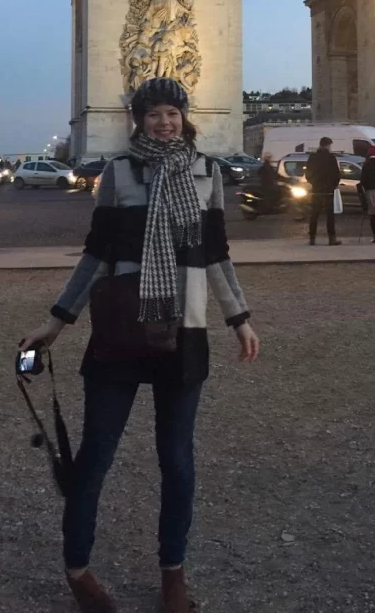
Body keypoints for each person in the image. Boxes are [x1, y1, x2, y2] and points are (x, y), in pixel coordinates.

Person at [19, 77, 260, 613]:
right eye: (152, 113)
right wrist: (56, 322)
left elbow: (216, 253)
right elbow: (95, 255)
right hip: (121, 334)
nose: (163, 121)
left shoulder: (207, 173)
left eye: (171, 112)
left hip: (187, 328)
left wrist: (238, 318)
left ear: (183, 116)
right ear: (139, 120)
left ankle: (173, 573)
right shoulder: (117, 174)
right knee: (96, 457)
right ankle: (78, 568)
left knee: (177, 461)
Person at [305, 136, 341, 246]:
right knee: (330, 215)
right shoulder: (331, 158)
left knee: (314, 214)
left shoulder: (312, 157)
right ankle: (331, 238)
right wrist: (333, 185)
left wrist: (314, 183)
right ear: (328, 145)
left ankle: (312, 238)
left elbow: (308, 174)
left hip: (316, 189)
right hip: (328, 190)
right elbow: (336, 174)